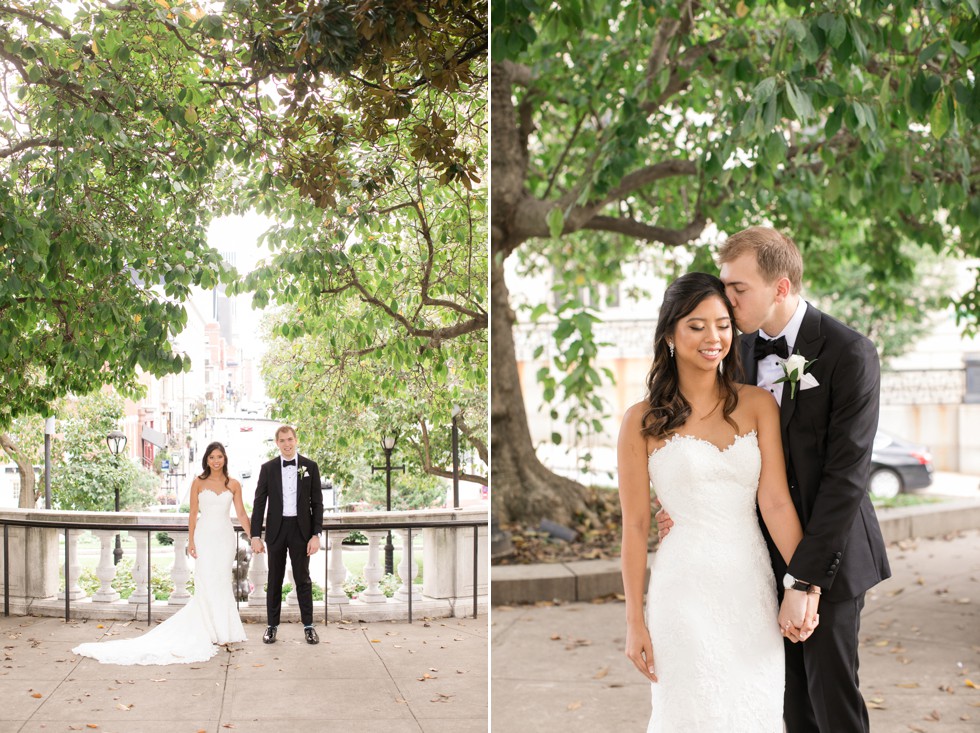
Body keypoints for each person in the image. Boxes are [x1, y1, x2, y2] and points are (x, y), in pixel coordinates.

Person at [657, 226, 891, 733]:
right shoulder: (732, 348)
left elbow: (845, 479)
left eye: (738, 289)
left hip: (831, 554)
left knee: (832, 701)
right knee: (783, 705)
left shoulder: (850, 353)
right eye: (726, 285)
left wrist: (806, 579)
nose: (727, 299)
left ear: (780, 288)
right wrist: (684, 498)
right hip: (753, 560)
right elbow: (699, 428)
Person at [620, 271, 814, 732]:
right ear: (670, 333)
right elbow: (634, 526)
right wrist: (634, 622)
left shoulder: (757, 404)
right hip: (681, 594)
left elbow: (776, 504)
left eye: (724, 324)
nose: (714, 337)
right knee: (691, 712)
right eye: (697, 325)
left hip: (750, 589)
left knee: (756, 711)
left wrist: (805, 586)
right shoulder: (641, 421)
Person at [73, 442, 251, 665]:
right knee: (205, 581)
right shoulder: (198, 482)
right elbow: (193, 514)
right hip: (205, 538)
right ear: (206, 459)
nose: (216, 461)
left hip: (224, 539)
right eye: (212, 457)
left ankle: (224, 630)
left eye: (220, 457)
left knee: (222, 581)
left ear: (225, 459)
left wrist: (253, 536)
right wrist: (191, 540)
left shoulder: (233, 484)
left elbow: (242, 514)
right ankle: (208, 629)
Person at [250, 425, 323, 645]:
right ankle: (272, 627)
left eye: (290, 439)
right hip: (276, 531)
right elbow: (259, 502)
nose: (287, 444)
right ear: (277, 443)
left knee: (303, 579)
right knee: (274, 579)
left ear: (296, 440)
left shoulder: (310, 466)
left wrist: (316, 534)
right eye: (282, 440)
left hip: (301, 531)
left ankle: (309, 626)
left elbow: (317, 503)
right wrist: (255, 535)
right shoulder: (268, 468)